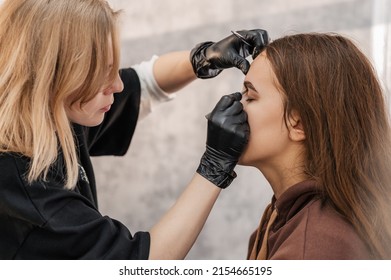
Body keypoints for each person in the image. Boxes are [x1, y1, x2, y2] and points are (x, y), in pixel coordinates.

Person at [0, 0, 269, 259]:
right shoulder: (25, 189)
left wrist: (202, 58)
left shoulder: (46, 112)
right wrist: (215, 165)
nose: (117, 86)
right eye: (102, 74)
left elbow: (144, 82)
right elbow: (138, 265)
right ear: (54, 77)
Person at [238, 32, 391, 259]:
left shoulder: (312, 246)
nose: (233, 109)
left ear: (298, 123)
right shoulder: (280, 219)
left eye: (250, 97)